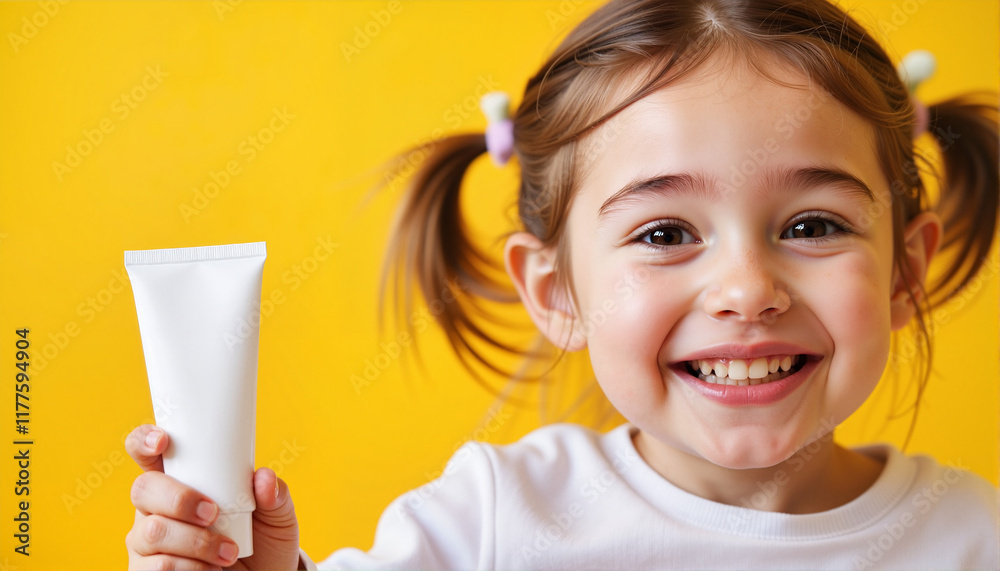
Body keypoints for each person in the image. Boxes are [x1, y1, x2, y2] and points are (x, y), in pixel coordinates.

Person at [124, 0, 1000, 568]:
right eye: (663, 233)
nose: (746, 288)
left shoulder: (974, 538)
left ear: (903, 270)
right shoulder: (492, 522)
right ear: (556, 292)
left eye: (812, 226)